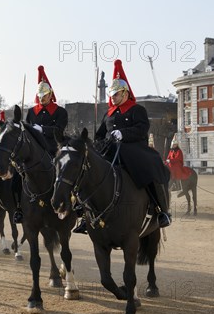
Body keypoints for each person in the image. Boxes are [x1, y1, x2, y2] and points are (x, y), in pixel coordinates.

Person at [74, 59, 171, 233]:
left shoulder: (137, 110)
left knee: (150, 168)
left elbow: (142, 129)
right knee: (88, 170)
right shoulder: (108, 114)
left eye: (116, 94)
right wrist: (98, 144)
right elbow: (99, 135)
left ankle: (161, 210)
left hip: (133, 148)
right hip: (110, 149)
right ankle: (84, 214)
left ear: (125, 93)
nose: (112, 97)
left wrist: (123, 134)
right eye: (112, 94)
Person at [15, 65, 68, 224]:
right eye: (40, 95)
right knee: (18, 175)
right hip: (33, 151)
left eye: (44, 95)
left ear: (50, 94)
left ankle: (67, 204)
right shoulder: (31, 112)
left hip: (53, 149)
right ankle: (18, 207)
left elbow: (59, 130)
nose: (42, 98)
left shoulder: (60, 112)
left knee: (65, 173)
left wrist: (42, 129)